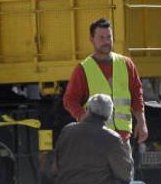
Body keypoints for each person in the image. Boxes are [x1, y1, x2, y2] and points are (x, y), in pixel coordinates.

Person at [63, 18, 148, 146]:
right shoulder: (83, 69)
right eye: (101, 38)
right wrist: (83, 118)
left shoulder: (126, 64)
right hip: (96, 139)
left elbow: (137, 95)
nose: (106, 41)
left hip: (122, 138)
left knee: (125, 167)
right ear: (92, 40)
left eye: (109, 37)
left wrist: (142, 122)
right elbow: (70, 100)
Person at [53, 94, 134, 184]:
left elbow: (54, 167)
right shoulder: (112, 139)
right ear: (109, 115)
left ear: (88, 110)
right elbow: (125, 174)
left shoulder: (67, 131)